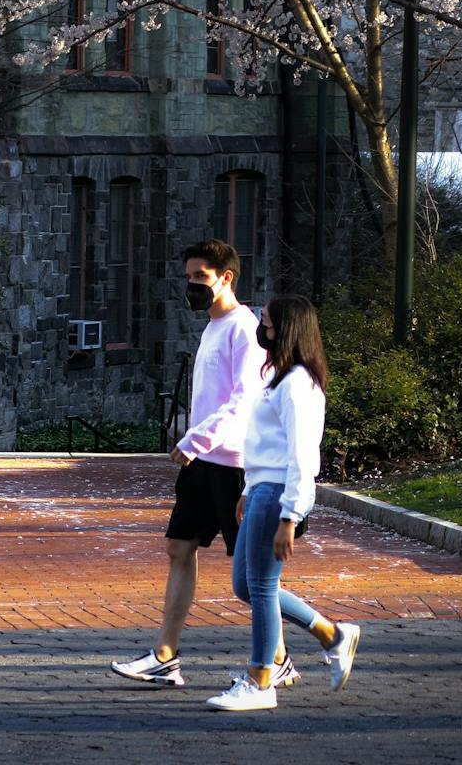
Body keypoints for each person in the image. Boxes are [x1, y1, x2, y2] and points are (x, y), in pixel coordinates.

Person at [111, 239, 269, 688]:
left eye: (200, 276)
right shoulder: (211, 328)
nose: (193, 286)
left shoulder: (244, 329)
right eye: (188, 278)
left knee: (251, 573)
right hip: (200, 462)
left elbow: (244, 399)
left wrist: (196, 438)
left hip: (233, 464)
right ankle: (166, 655)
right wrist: (195, 441)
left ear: (226, 277)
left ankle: (297, 645)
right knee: (179, 548)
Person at [206, 294, 361, 712]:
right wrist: (247, 487)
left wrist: (291, 515)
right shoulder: (279, 377)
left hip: (278, 494)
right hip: (261, 489)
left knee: (260, 585)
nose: (263, 331)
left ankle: (261, 680)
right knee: (247, 585)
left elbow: (302, 457)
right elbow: (264, 444)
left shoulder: (298, 385)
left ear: (288, 330)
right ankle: (332, 635)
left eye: (269, 325)